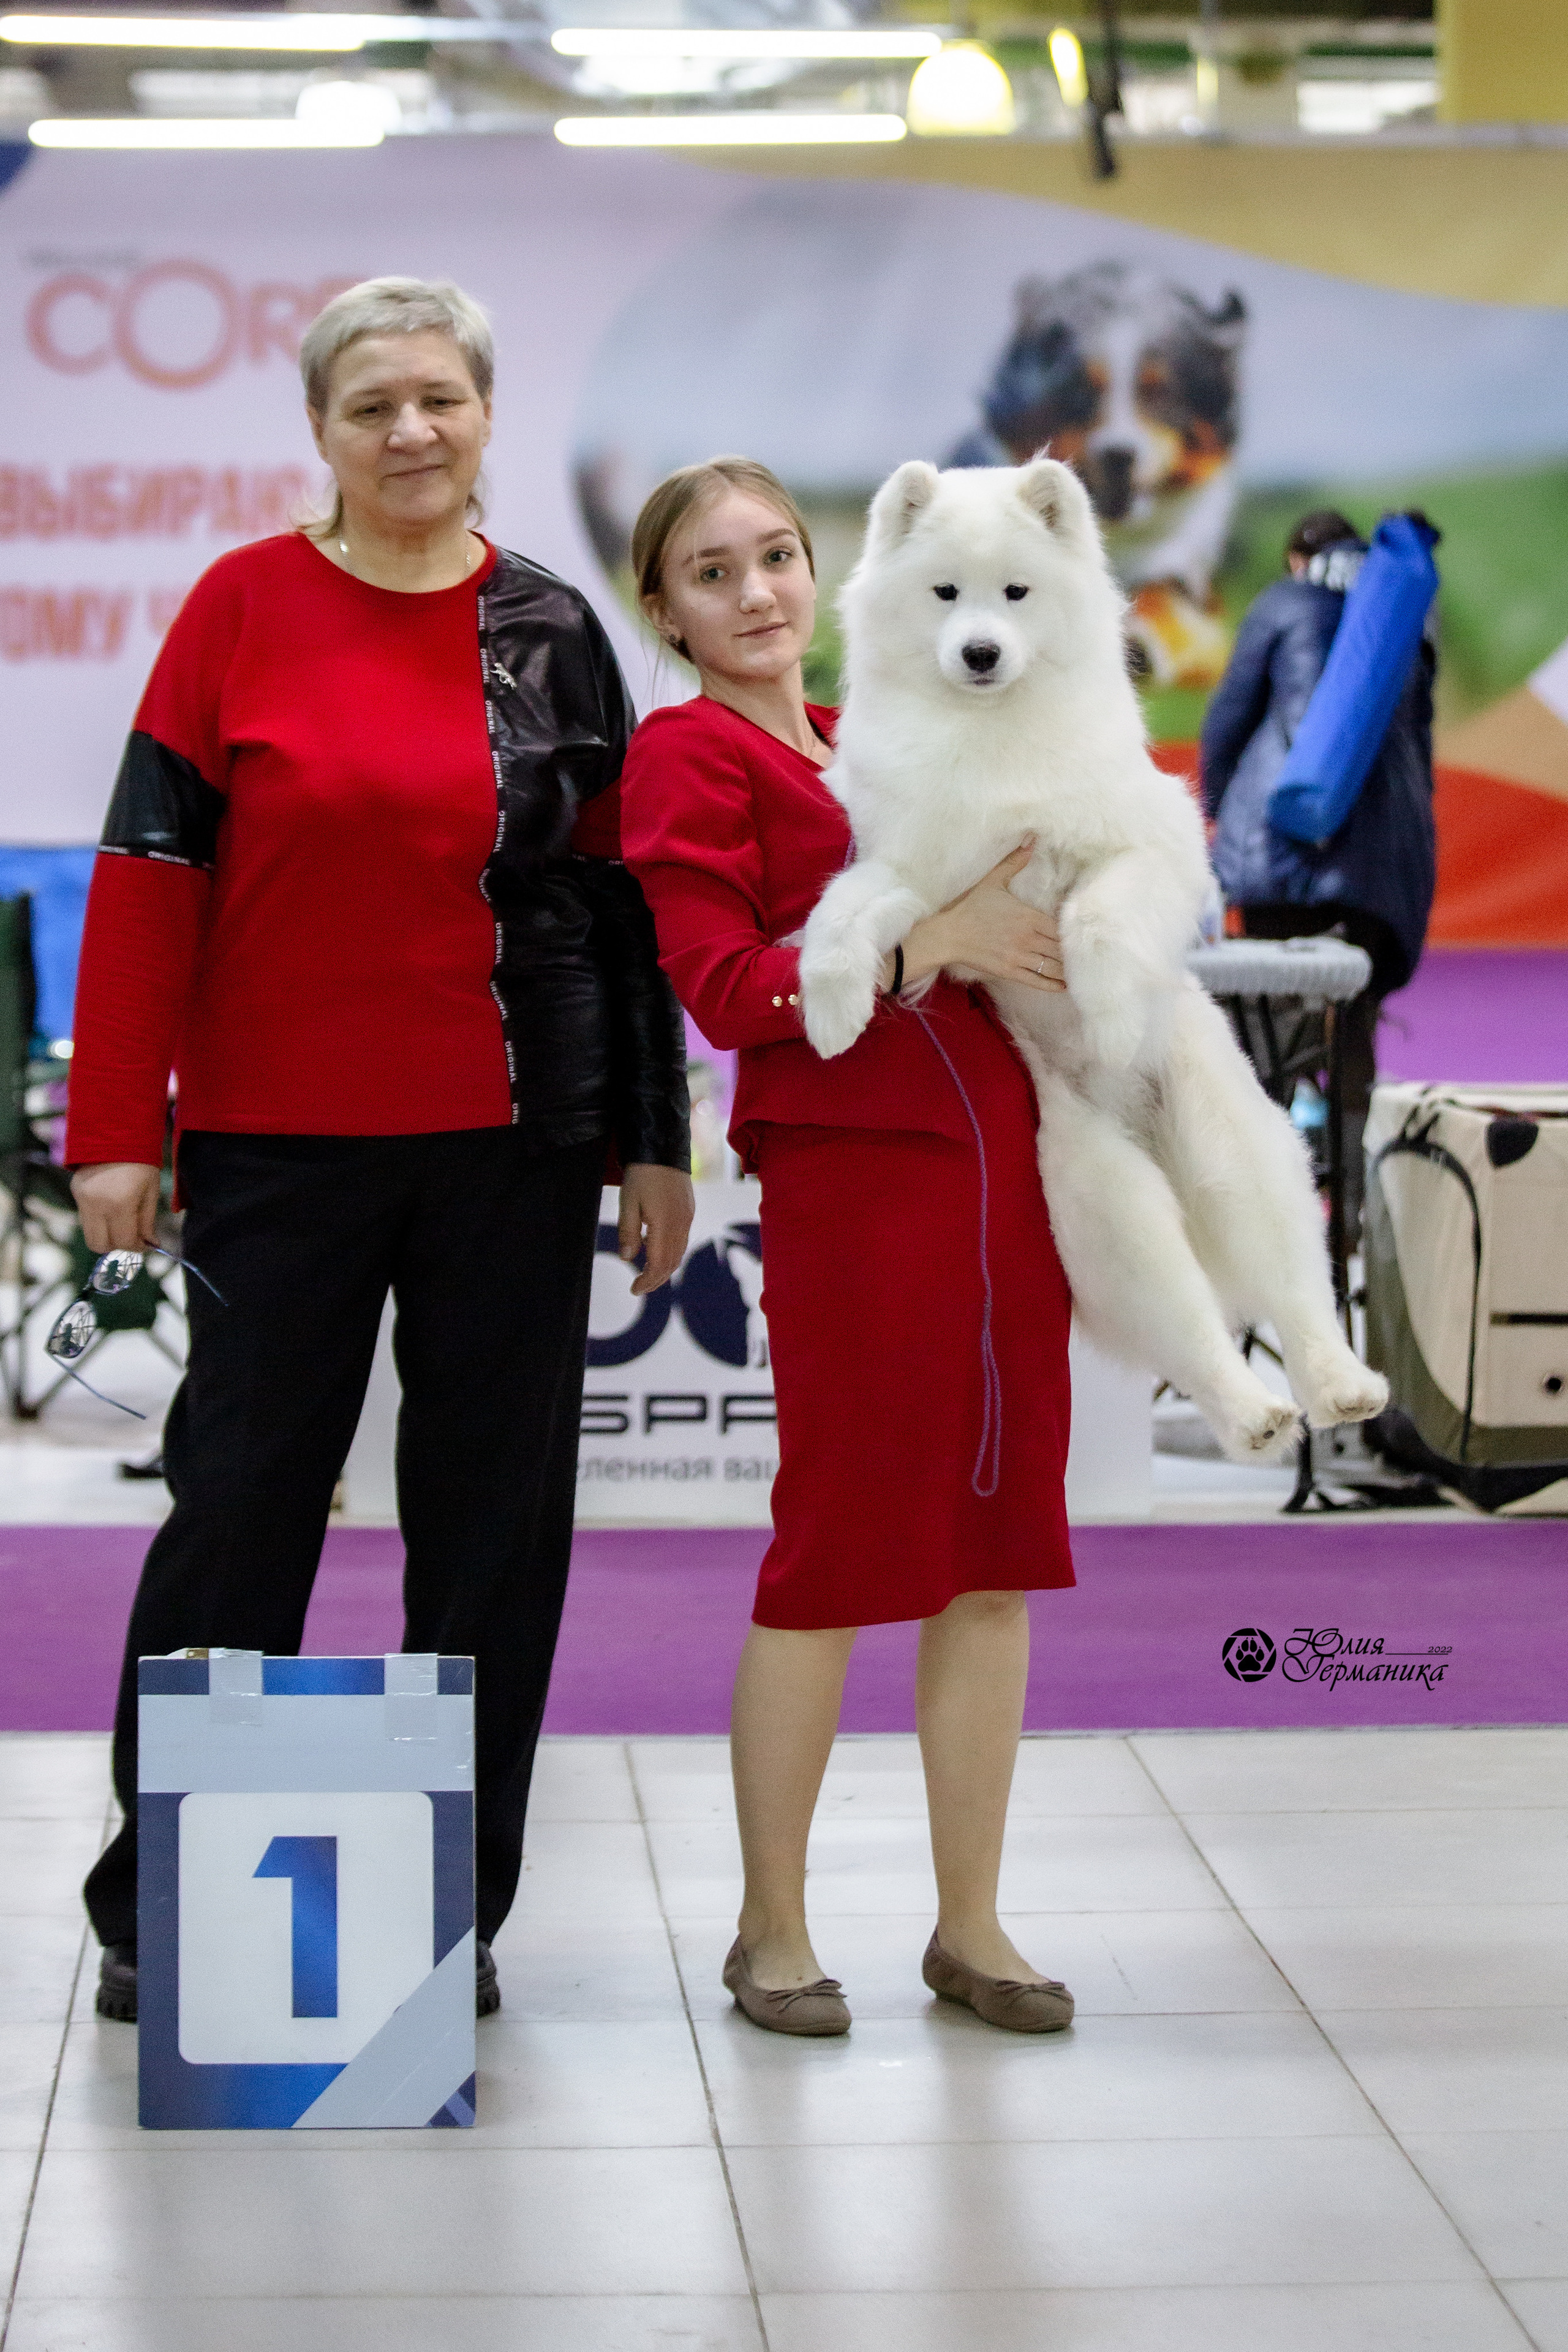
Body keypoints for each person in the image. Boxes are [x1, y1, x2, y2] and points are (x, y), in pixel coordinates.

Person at [66, 276, 693, 2023]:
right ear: (322, 432)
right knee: (240, 1509)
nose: (412, 431)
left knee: (494, 1533)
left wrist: (654, 1139)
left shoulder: (557, 631)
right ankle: (158, 1900)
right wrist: (118, 1124)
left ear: (488, 415)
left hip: (513, 1145)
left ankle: (447, 1909)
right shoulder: (240, 608)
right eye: (373, 406)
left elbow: (620, 908)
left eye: (441, 398)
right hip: (277, 1152)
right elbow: (145, 879)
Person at [619, 458, 1077, 2038]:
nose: (754, 593)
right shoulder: (685, 757)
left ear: (824, 573)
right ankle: (771, 1928)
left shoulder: (887, 732)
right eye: (708, 571)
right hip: (852, 1185)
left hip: (1004, 1177)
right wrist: (922, 941)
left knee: (995, 1557)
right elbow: (730, 990)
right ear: (662, 608)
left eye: (774, 557)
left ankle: (970, 1924)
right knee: (828, 1559)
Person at [1200, 507, 1438, 1237]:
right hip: (1379, 873)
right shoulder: (1404, 628)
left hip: (1276, 853)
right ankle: (1353, 1214)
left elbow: (1229, 720)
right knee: (1352, 1028)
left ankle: (1259, 1217)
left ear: (1297, 557)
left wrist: (1220, 805)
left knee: (1265, 1031)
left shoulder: (1282, 602)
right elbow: (1418, 755)